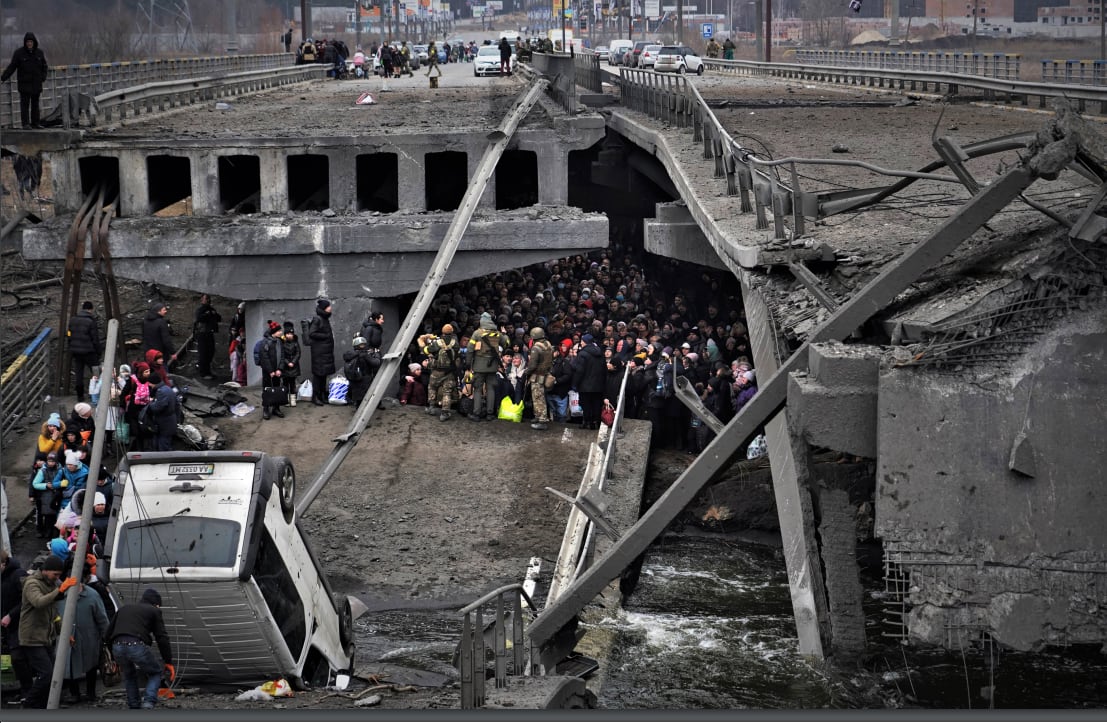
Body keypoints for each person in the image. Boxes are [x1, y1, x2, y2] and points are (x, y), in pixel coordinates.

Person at [19, 555, 77, 708]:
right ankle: (29, 704)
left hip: (45, 637)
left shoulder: (49, 584)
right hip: (31, 638)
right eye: (55, 574)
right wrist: (60, 590)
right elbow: (38, 602)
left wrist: (64, 633)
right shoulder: (32, 584)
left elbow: (54, 614)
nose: (57, 578)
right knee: (47, 674)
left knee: (51, 676)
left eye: (59, 575)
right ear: (45, 571)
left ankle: (43, 705)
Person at [107, 587, 174, 710]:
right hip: (135, 645)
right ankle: (148, 703)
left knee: (129, 675)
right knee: (155, 672)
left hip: (117, 645)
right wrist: (168, 661)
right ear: (156, 604)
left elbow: (107, 633)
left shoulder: (124, 608)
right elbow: (162, 638)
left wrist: (112, 656)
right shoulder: (154, 611)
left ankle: (134, 706)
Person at [55, 564, 109, 703]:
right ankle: (75, 694)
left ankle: (91, 693)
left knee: (91, 665)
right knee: (70, 665)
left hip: (89, 636)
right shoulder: (60, 595)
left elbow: (101, 617)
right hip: (67, 637)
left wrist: (107, 635)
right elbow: (53, 614)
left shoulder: (91, 595)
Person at [1, 550, 32, 701]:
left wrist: (10, 615)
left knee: (19, 657)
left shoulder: (18, 575)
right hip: (6, 626)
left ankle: (29, 690)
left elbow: (28, 599)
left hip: (21, 624)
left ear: (3, 563)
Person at [467, 312, 509, 421]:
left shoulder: (477, 333)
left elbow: (470, 349)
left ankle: (476, 413)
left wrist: (468, 364)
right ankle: (490, 414)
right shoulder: (498, 334)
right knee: (491, 389)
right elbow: (507, 344)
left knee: (477, 389)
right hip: (493, 365)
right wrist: (504, 334)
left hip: (479, 365)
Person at [2, 33, 48, 129]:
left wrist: (43, 77)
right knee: (25, 105)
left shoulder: (39, 53)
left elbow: (44, 66)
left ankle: (35, 123)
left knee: (35, 104)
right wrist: (4, 77)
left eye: (31, 42)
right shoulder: (19, 53)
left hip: (36, 83)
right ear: (25, 42)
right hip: (24, 83)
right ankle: (26, 124)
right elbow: (12, 66)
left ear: (34, 42)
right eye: (28, 42)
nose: (29, 44)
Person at [420, 324, 459, 421]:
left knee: (432, 388)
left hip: (437, 371)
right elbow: (457, 355)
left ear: (443, 332)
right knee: (447, 392)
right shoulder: (455, 343)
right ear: (452, 332)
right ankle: (444, 413)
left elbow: (426, 350)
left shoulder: (438, 343)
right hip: (449, 371)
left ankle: (431, 408)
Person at [67, 300, 103, 402]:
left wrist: (71, 346)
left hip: (76, 352)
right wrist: (98, 351)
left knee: (79, 373)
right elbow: (94, 339)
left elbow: (69, 334)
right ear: (91, 309)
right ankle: (97, 394)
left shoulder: (72, 320)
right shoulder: (91, 321)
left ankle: (80, 396)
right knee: (96, 372)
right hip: (89, 352)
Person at [572, 334, 606, 429]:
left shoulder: (582, 354)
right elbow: (604, 369)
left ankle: (586, 422)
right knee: (596, 404)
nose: (581, 343)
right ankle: (595, 423)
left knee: (586, 404)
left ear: (585, 342)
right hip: (598, 385)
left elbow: (579, 371)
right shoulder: (600, 353)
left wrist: (575, 384)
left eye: (582, 341)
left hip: (585, 385)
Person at [524, 327, 554, 430]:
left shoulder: (536, 348)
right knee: (540, 396)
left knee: (538, 398)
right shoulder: (548, 345)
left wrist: (526, 372)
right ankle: (538, 416)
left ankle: (542, 420)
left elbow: (532, 365)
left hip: (537, 375)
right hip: (545, 374)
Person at [308, 298, 336, 407]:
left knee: (323, 375)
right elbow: (312, 333)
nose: (330, 308)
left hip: (325, 352)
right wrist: (326, 336)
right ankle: (316, 397)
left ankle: (323, 395)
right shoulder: (318, 319)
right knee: (318, 375)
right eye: (329, 306)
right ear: (324, 308)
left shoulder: (325, 318)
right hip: (319, 353)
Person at [258, 322, 286, 420]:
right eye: (279, 331)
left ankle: (276, 408)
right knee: (267, 389)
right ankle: (266, 408)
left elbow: (282, 356)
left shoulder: (279, 341)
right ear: (274, 332)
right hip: (267, 372)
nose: (281, 332)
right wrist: (270, 370)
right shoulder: (265, 342)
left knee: (277, 389)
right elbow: (264, 358)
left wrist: (279, 369)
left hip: (277, 371)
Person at [193, 293, 222, 380]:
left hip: (209, 333)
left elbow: (219, 318)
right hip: (202, 334)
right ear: (202, 300)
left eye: (208, 299)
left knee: (210, 352)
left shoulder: (211, 309)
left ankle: (207, 371)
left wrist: (213, 314)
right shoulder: (201, 310)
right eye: (206, 299)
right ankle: (203, 373)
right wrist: (208, 314)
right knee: (203, 353)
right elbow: (199, 318)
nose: (208, 300)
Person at [145, 377, 179, 451]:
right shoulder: (168, 388)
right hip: (170, 421)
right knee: (164, 443)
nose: (149, 385)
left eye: (149, 384)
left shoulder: (161, 392)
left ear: (153, 383)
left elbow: (157, 407)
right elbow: (177, 404)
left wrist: (150, 403)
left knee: (163, 445)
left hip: (165, 423)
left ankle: (164, 461)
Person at [141, 302, 175, 366]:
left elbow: (143, 336)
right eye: (164, 310)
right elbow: (166, 339)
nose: (166, 311)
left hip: (148, 351)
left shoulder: (145, 321)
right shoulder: (161, 322)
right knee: (162, 371)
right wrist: (172, 352)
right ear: (158, 312)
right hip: (159, 353)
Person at [280, 320, 302, 405]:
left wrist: (293, 362)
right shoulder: (282, 343)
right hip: (285, 367)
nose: (289, 335)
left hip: (294, 367)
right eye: (288, 334)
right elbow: (282, 355)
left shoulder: (296, 343)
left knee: (292, 385)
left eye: (291, 334)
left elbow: (298, 353)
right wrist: (287, 362)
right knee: (285, 384)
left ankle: (293, 401)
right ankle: (286, 400)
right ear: (285, 334)